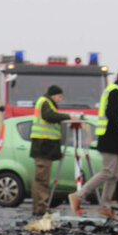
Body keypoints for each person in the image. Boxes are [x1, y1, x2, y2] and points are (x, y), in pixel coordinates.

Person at [70, 68, 118, 220]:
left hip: (114, 137)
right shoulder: (115, 91)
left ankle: (105, 207)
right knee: (107, 172)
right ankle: (79, 196)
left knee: (114, 174)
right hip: (111, 136)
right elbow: (112, 114)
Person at [30, 85, 74, 216]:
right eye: (59, 96)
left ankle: (39, 206)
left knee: (41, 178)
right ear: (53, 95)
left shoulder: (45, 102)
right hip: (44, 145)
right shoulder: (45, 102)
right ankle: (40, 207)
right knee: (42, 179)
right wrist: (67, 116)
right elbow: (49, 116)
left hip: (44, 145)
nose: (60, 100)